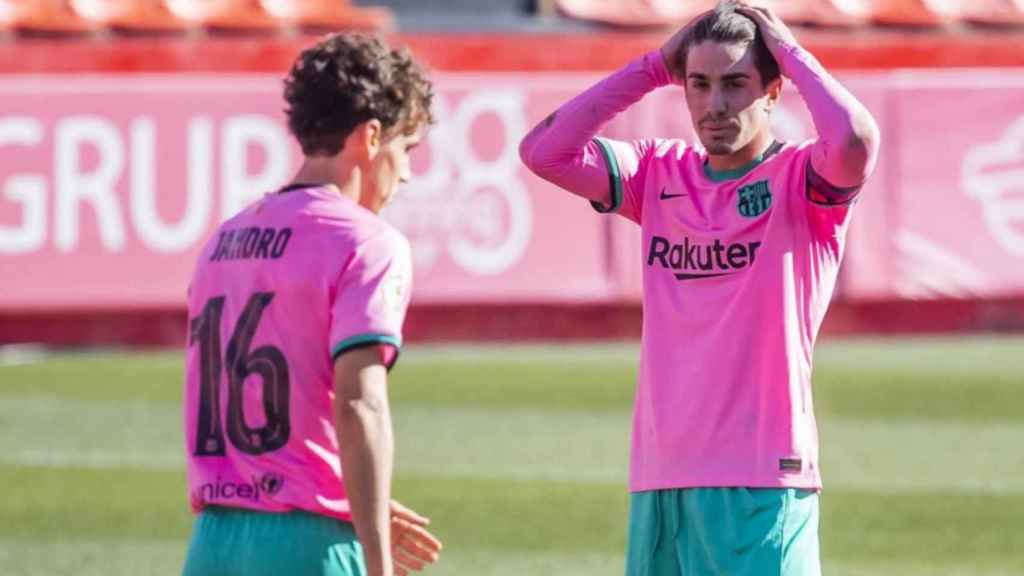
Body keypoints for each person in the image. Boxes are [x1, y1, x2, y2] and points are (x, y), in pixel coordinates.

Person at [519, 2, 880, 574]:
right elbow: (544, 152)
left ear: (772, 91)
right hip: (663, 474)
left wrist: (789, 50)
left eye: (735, 84)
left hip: (763, 476)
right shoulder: (659, 173)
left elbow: (856, 139)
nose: (714, 105)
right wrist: (654, 66)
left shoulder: (800, 181)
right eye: (699, 84)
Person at [181, 33, 442, 576]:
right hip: (308, 548)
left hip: (213, 543)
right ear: (371, 137)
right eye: (407, 148)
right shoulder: (367, 242)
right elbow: (359, 405)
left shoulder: (223, 241)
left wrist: (349, 498)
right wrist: (376, 556)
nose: (410, 171)